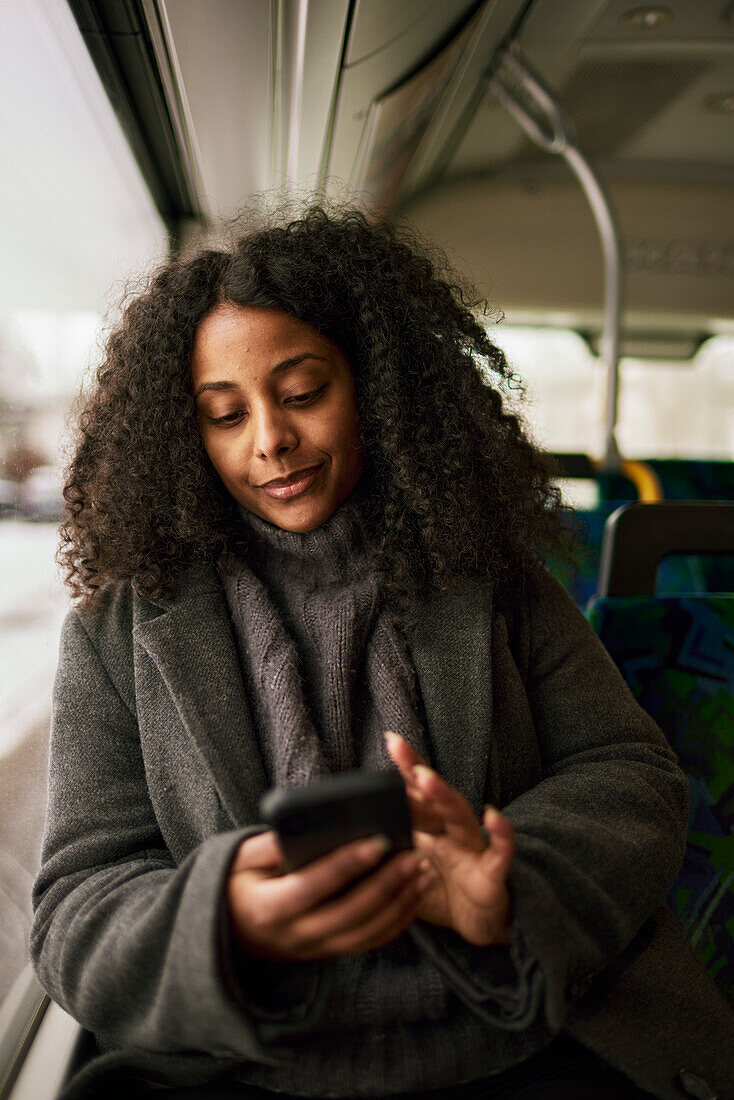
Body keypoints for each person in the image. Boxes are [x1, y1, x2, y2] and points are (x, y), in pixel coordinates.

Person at [31, 207, 732, 1100]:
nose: (268, 440)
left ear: (374, 386)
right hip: (246, 1067)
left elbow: (632, 773)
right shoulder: (116, 633)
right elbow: (74, 910)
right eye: (223, 414)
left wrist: (505, 883)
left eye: (300, 393)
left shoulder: (493, 576)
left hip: (517, 1037)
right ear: (184, 433)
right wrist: (225, 919)